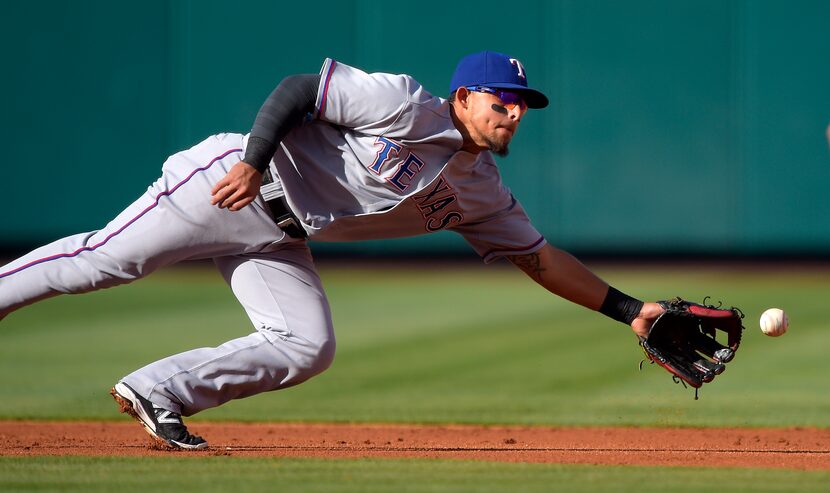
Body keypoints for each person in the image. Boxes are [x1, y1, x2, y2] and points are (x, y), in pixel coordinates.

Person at [0, 51, 665, 449]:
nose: (516, 113)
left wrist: (630, 309)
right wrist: (255, 164)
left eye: (524, 105)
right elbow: (297, 89)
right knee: (105, 262)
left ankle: (156, 391)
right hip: (232, 184)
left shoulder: (483, 191)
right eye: (505, 101)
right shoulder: (406, 105)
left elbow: (542, 260)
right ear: (464, 97)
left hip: (279, 234)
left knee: (305, 343)